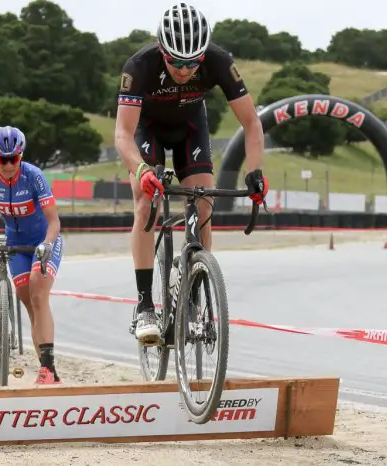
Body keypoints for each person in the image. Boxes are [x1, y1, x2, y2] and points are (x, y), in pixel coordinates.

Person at [114, 2, 268, 344]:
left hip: (189, 127)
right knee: (144, 202)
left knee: (204, 204)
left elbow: (252, 124)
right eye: (176, 62)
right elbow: (123, 135)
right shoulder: (139, 67)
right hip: (147, 131)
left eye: (192, 63)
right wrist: (140, 169)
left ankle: (195, 293)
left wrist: (255, 173)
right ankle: (143, 306)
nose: (184, 71)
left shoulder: (219, 61)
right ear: (161, 50)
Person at [0, 126, 64, 385]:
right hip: (15, 245)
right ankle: (48, 370)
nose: (9, 164)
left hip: (43, 241)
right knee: (28, 303)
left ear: (21, 156)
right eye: (3, 159)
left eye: (14, 158)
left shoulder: (34, 176)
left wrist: (46, 245)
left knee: (39, 297)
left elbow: (54, 221)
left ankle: (47, 367)